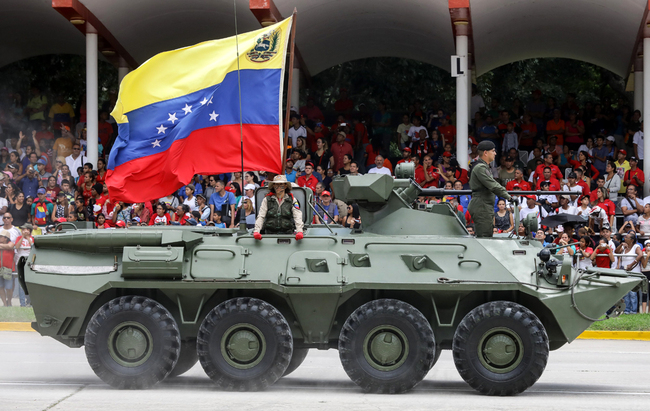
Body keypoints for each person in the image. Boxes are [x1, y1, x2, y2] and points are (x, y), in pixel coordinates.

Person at [468, 141, 513, 237]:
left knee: (486, 235)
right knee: (484, 237)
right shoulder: (480, 167)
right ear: (485, 153)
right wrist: (509, 197)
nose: (495, 153)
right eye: (493, 151)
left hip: (483, 205)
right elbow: (493, 185)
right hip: (481, 206)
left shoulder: (483, 167)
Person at [253, 175, 303, 239]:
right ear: (273, 186)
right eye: (276, 184)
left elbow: (297, 215)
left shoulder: (292, 199)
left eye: (281, 184)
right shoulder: (267, 199)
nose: (278, 187)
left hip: (287, 235)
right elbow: (261, 216)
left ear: (285, 186)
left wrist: (299, 231)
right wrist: (257, 231)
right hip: (269, 234)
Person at [616, 231, 642, 313]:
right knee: (626, 292)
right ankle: (627, 310)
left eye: (627, 237)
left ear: (632, 240)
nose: (624, 238)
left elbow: (640, 255)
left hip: (634, 272)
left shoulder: (636, 246)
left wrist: (632, 264)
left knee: (633, 293)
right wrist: (621, 245)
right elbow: (616, 252)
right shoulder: (624, 247)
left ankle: (633, 311)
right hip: (625, 271)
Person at [0, 229, 16, 306]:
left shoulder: (11, 243)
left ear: (6, 238)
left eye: (1, 237)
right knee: (0, 287)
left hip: (9, 269)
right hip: (0, 268)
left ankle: (9, 301)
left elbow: (10, 246)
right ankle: (5, 303)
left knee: (9, 288)